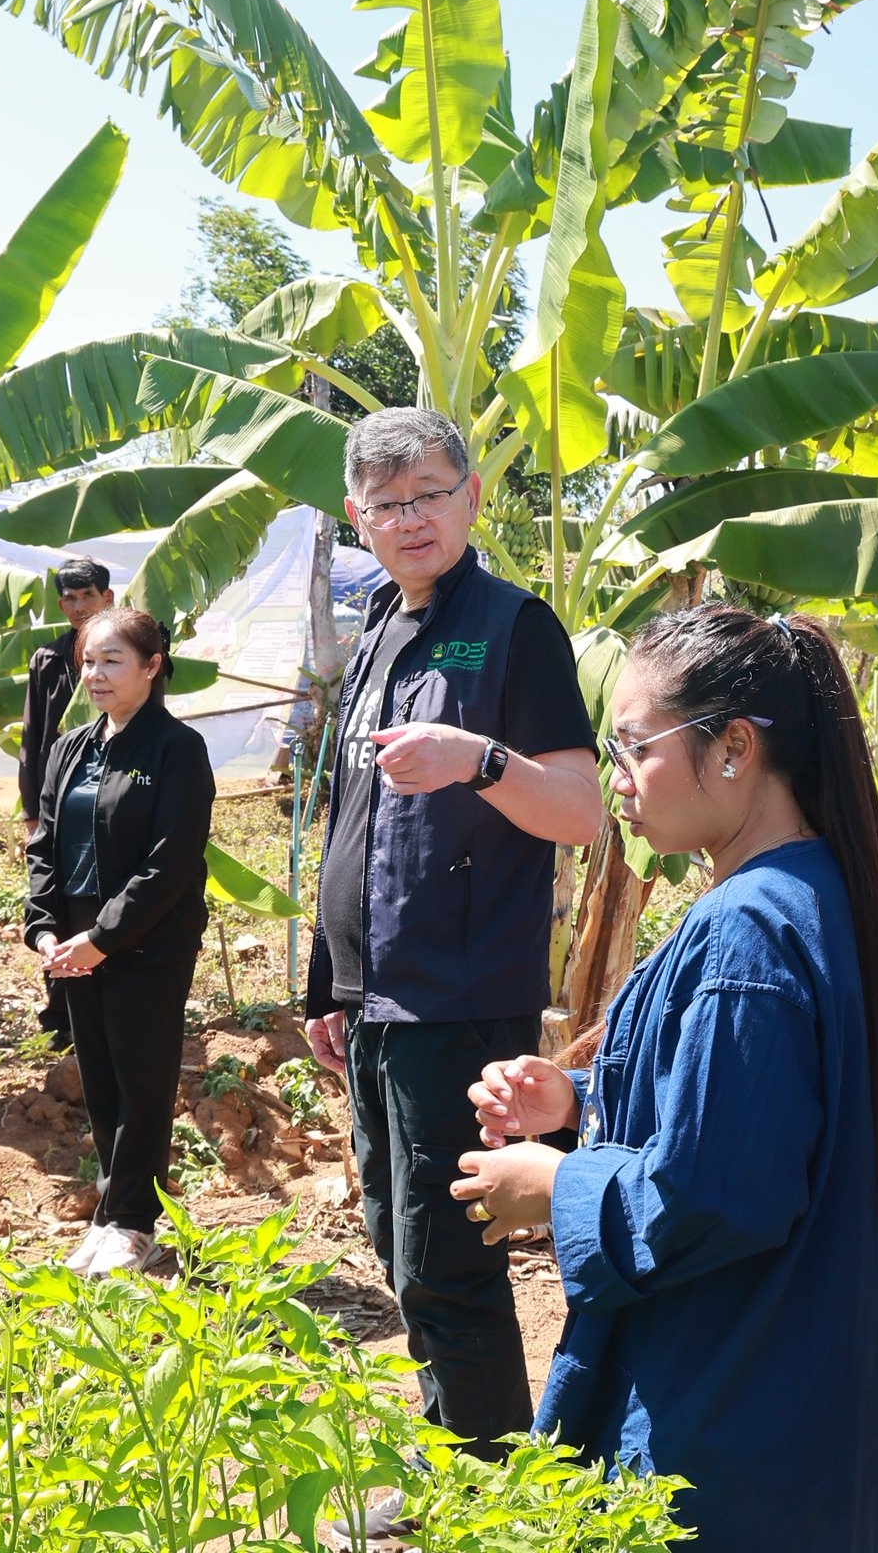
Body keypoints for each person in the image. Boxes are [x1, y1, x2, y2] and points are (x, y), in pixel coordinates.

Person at [452, 605, 878, 1551]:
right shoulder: (809, 892)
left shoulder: (747, 932)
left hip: (723, 1394)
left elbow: (716, 1193)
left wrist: (554, 1187)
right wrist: (580, 1099)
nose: (617, 779)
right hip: (785, 1376)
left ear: (734, 750)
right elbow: (751, 1112)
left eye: (632, 747)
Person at [305, 407, 601, 1499]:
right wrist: (325, 981)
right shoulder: (381, 628)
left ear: (472, 495)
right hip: (378, 1002)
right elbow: (350, 820)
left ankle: (487, 1498)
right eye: (386, 503)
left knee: (451, 1265)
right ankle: (455, 1469)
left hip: (462, 1000)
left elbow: (579, 810)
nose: (410, 518)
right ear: (357, 519)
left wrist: (478, 758)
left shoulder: (514, 627)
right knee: (401, 1249)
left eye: (430, 492)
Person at [24, 606, 214, 1278]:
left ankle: (134, 1223)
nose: (96, 675)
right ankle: (111, 1213)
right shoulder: (71, 747)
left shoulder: (175, 750)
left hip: (145, 946)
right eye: (89, 661)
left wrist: (103, 939)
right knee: (100, 1081)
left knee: (142, 1080)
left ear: (152, 666)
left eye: (112, 661)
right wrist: (44, 925)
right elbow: (44, 843)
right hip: (74, 943)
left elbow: (170, 862)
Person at [22, 556, 115, 1045]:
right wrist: (31, 811)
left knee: (103, 897)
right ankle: (60, 1012)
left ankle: (107, 1006)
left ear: (108, 599)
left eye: (89, 597)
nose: (80, 607)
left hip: (113, 795)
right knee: (56, 899)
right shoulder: (49, 659)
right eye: (71, 599)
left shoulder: (136, 651)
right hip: (59, 796)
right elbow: (35, 736)